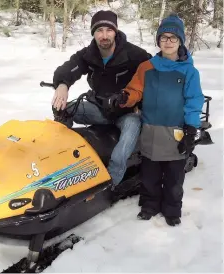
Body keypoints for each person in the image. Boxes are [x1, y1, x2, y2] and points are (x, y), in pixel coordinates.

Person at [119, 13, 204, 226]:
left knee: (175, 178)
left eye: (173, 38)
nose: (168, 41)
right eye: (164, 37)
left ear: (180, 41)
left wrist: (191, 129)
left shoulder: (190, 72)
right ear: (158, 40)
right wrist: (123, 98)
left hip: (176, 132)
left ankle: (172, 210)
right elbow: (135, 90)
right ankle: (149, 206)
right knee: (149, 175)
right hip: (150, 130)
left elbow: (194, 100)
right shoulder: (147, 66)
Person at [51, 10, 151, 186]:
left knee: (128, 135)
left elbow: (152, 77)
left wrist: (141, 104)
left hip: (126, 113)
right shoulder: (89, 54)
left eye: (108, 30)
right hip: (98, 108)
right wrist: (62, 84)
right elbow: (69, 68)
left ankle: (111, 182)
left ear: (116, 31)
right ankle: (59, 161)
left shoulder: (135, 55)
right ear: (93, 33)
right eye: (99, 30)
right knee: (64, 109)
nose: (104, 35)